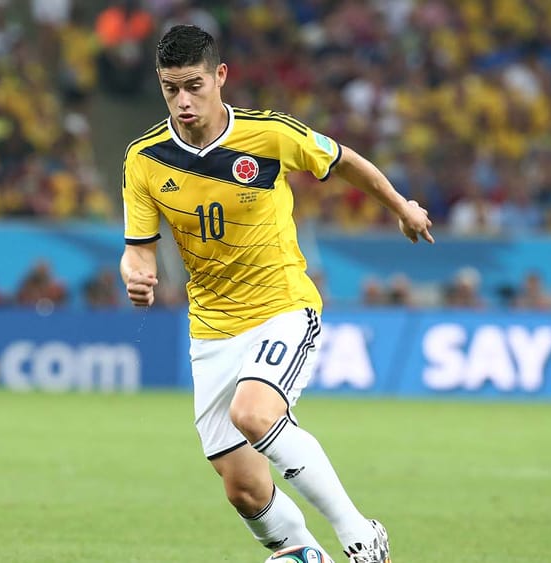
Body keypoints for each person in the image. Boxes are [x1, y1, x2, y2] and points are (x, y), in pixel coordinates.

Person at [118, 25, 434, 563]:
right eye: (171, 89)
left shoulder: (269, 135)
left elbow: (344, 161)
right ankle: (307, 554)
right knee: (242, 488)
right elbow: (139, 246)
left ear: (220, 77)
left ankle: (361, 536)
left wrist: (401, 206)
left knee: (255, 413)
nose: (183, 100)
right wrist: (136, 273)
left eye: (194, 85)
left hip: (281, 306)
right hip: (212, 328)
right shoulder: (144, 159)